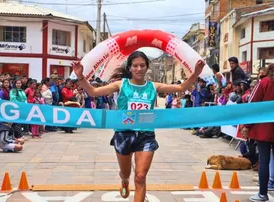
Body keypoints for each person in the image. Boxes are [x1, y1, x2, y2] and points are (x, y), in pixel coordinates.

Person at [72, 51, 204, 202]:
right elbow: (93, 91)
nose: (139, 69)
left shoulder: (153, 87)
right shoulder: (121, 85)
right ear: (130, 68)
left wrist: (195, 74)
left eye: (142, 65)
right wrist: (80, 76)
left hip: (146, 135)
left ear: (147, 67)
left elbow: (181, 88)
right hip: (124, 134)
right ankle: (124, 181)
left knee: (140, 176)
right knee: (126, 173)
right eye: (135, 66)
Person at [242, 55, 274, 201]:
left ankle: (263, 194)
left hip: (264, 128)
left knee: (264, 160)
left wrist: (247, 125)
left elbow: (253, 103)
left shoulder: (264, 82)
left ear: (272, 66)